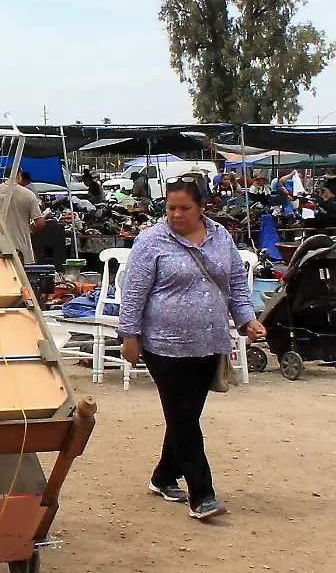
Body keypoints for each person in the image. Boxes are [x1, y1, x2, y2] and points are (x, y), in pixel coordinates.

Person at [119, 179, 266, 521]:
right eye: (171, 208)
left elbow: (235, 288)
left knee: (184, 416)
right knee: (184, 418)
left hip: (209, 342)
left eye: (184, 208)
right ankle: (203, 495)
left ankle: (163, 476)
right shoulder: (151, 241)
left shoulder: (221, 238)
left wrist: (248, 322)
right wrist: (130, 336)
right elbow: (134, 292)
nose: (176, 214)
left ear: (202, 207)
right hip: (164, 346)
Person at [0, 168, 44, 264]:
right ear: (19, 175)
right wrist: (32, 228)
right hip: (22, 249)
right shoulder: (29, 195)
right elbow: (40, 223)